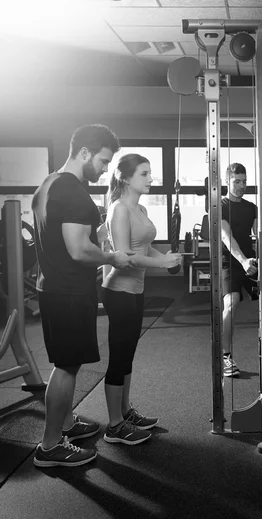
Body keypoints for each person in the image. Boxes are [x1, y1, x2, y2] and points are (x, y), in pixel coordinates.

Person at [32, 124, 135, 468]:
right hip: (69, 293)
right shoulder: (74, 192)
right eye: (103, 161)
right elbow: (78, 250)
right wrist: (111, 257)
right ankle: (49, 447)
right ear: (86, 153)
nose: (105, 169)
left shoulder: (47, 184)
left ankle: (66, 424)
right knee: (66, 367)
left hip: (54, 288)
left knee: (65, 363)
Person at [101, 153, 182, 445]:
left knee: (128, 356)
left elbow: (147, 250)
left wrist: (168, 259)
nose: (151, 179)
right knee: (119, 356)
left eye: (150, 174)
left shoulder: (142, 209)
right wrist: (162, 265)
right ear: (125, 177)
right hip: (118, 291)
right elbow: (125, 258)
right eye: (144, 174)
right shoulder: (119, 209)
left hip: (136, 292)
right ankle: (113, 426)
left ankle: (124, 413)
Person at [220, 163, 258, 377]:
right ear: (227, 181)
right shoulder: (221, 206)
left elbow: (260, 235)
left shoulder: (252, 207)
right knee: (231, 303)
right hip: (230, 261)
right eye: (237, 182)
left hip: (251, 260)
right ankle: (226, 356)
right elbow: (227, 237)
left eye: (244, 181)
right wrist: (243, 261)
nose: (242, 185)